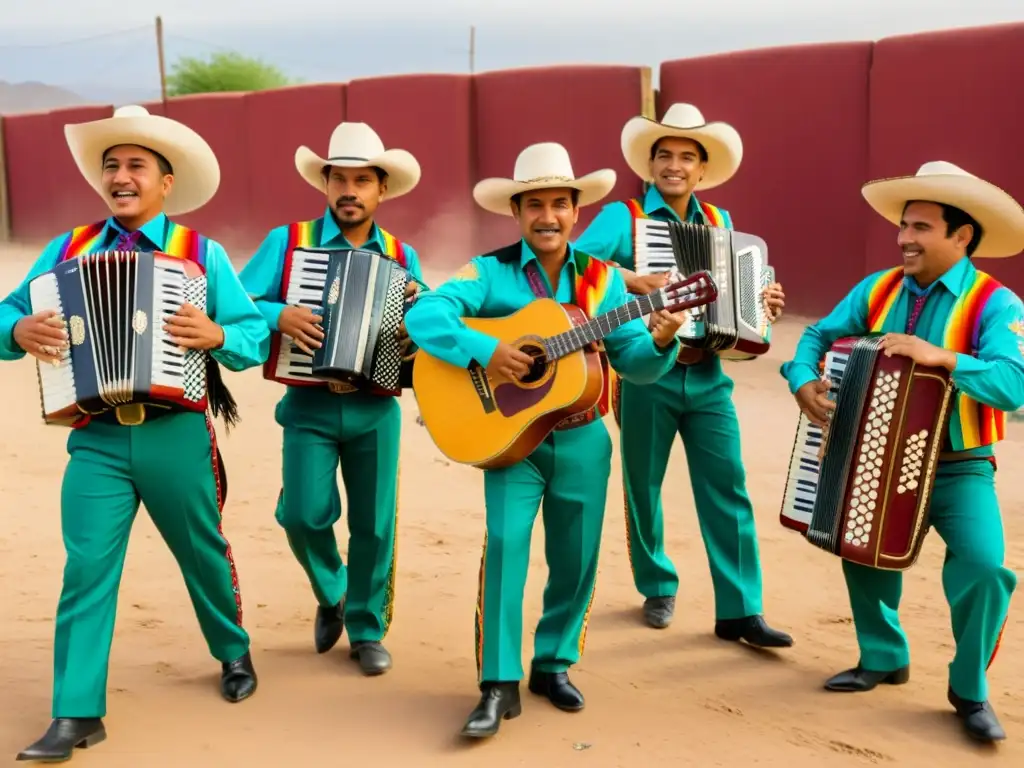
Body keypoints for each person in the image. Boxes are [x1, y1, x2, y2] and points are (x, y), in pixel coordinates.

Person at [0, 105, 268, 762]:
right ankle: (76, 712)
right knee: (87, 567)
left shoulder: (201, 255)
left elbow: (255, 334)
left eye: (135, 166)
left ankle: (232, 650)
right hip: (94, 436)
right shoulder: (69, 249)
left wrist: (219, 336)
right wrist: (14, 330)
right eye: (112, 166)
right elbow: (9, 310)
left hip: (176, 433)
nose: (121, 177)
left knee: (202, 552)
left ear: (164, 181)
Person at [404, 142, 688, 738]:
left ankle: (554, 664)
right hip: (513, 440)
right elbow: (425, 317)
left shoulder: (607, 281)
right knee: (506, 549)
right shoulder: (488, 272)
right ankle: (496, 684)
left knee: (576, 558)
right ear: (517, 211)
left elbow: (632, 361)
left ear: (576, 211)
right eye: (535, 204)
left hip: (584, 437)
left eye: (560, 203)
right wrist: (491, 350)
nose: (548, 216)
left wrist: (661, 338)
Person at [780, 160, 1024, 743]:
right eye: (903, 226)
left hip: (961, 466)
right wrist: (802, 378)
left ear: (962, 236)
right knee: (858, 551)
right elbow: (816, 335)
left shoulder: (998, 304)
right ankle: (884, 655)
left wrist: (946, 359)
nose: (904, 238)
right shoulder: (877, 288)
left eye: (921, 228)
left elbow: (1013, 382)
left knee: (985, 567)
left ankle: (969, 688)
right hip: (874, 454)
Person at [574, 103, 792, 645]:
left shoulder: (720, 224)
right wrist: (631, 277)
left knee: (728, 487)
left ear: (702, 169)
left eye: (686, 157)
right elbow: (574, 268)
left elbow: (741, 303)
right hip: (648, 372)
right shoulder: (623, 219)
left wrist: (764, 301)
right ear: (650, 165)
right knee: (642, 486)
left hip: (710, 375)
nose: (674, 165)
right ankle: (657, 585)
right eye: (664, 155)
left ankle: (740, 611)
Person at [239, 121, 428, 676]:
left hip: (375, 407)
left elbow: (433, 322)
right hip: (309, 405)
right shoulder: (287, 242)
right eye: (339, 178)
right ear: (326, 184)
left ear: (381, 189)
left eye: (362, 180)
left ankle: (367, 630)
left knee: (374, 524)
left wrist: (420, 310)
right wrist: (279, 313)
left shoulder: (402, 255)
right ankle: (334, 590)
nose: (350, 190)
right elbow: (238, 303)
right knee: (302, 514)